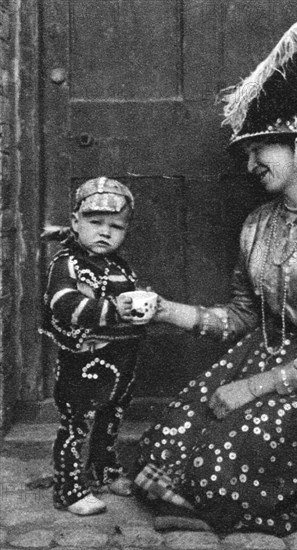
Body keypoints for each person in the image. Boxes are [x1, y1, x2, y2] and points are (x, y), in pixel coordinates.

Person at [131, 5, 297, 536]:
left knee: (222, 462)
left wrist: (253, 388)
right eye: (247, 153)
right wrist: (166, 311)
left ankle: (206, 498)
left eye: (259, 150)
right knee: (168, 436)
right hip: (261, 352)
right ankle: (183, 488)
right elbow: (246, 317)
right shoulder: (257, 223)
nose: (250, 166)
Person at [40, 176, 149, 515]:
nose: (105, 232)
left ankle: (102, 469)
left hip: (120, 362)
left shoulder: (118, 264)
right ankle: (69, 488)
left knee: (110, 418)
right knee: (77, 424)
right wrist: (112, 310)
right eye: (95, 222)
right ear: (75, 222)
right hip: (82, 363)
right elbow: (63, 303)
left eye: (115, 225)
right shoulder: (67, 263)